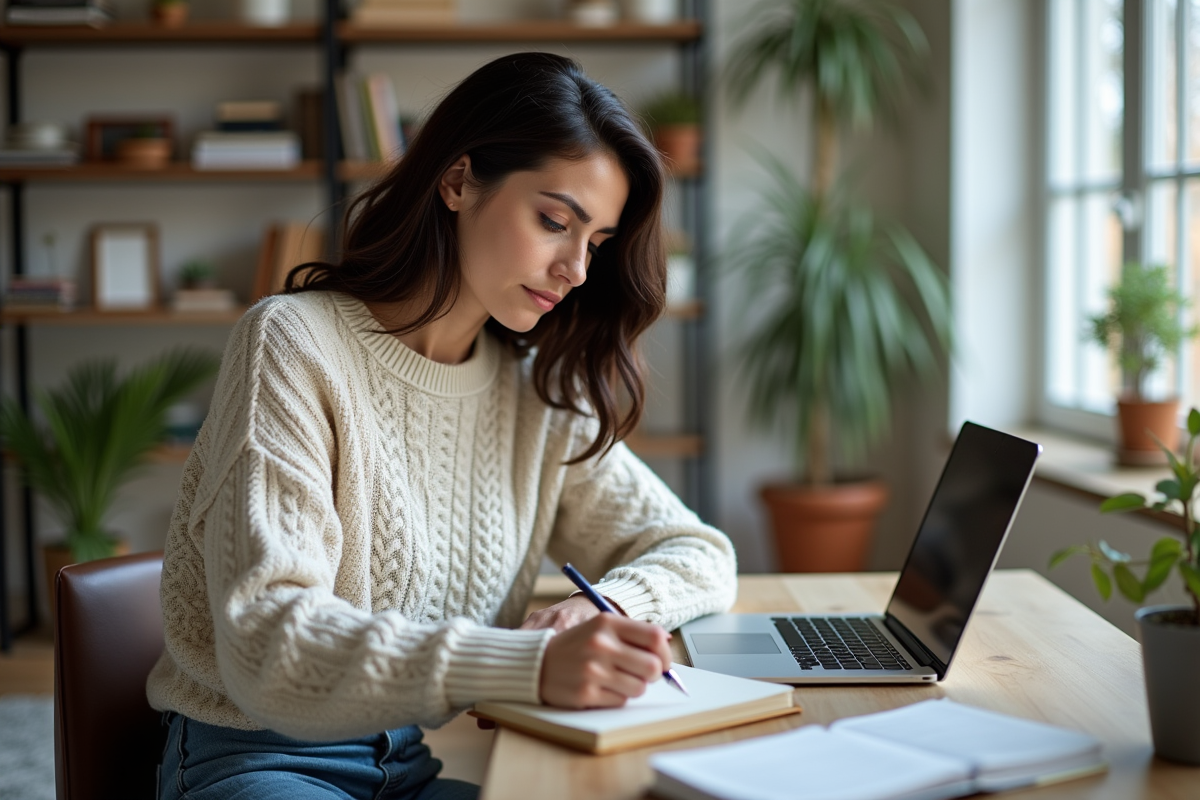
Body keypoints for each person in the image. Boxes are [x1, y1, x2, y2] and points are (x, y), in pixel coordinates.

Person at [147, 51, 737, 800]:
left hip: (406, 766)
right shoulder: (293, 343)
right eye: (555, 221)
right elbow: (269, 642)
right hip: (261, 761)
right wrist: (526, 667)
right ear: (457, 181)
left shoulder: (536, 395)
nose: (577, 269)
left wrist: (602, 608)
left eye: (597, 243)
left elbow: (697, 551)